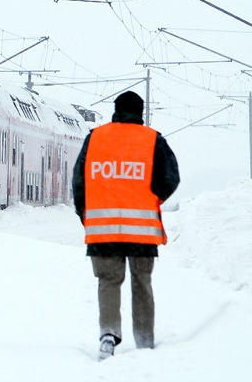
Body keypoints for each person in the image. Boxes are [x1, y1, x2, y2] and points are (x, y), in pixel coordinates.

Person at [71, 91, 180, 361]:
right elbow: (171, 178)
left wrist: (86, 214)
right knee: (142, 282)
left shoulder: (95, 138)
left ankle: (108, 335)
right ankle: (144, 341)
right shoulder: (153, 140)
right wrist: (152, 197)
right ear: (140, 112)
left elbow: (79, 180)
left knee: (108, 281)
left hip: (103, 228)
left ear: (115, 110)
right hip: (142, 230)